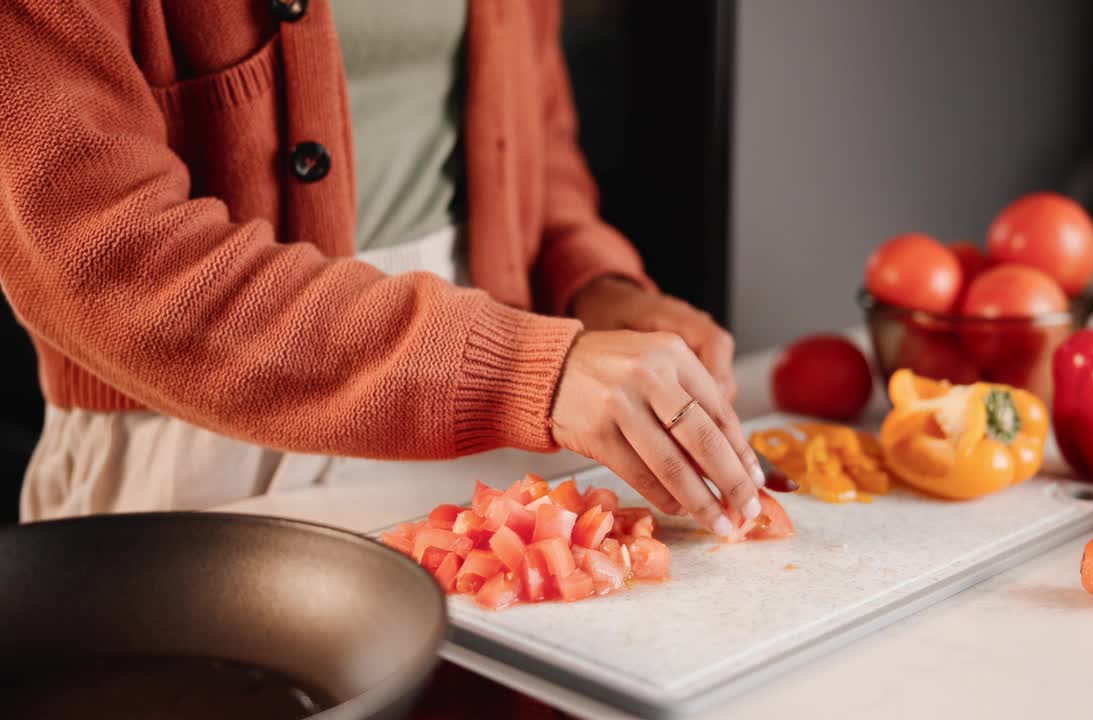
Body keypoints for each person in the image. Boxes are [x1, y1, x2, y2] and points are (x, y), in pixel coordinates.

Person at [0, 0, 765, 536]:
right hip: (193, 451)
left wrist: (593, 286)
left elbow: (537, 132)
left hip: (510, 424)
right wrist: (519, 369)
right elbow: (98, 251)